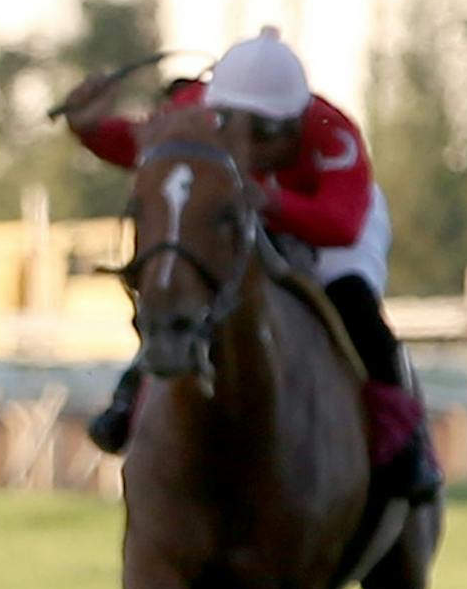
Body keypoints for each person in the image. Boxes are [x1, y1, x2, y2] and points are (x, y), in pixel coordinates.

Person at [60, 27, 442, 502]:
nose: (242, 139)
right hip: (242, 205)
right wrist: (88, 127)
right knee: (189, 282)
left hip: (329, 217)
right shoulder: (191, 110)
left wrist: (273, 201)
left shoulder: (334, 133)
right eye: (226, 121)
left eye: (260, 131)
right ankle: (133, 388)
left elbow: (340, 225)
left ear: (294, 122)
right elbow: (140, 149)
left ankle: (405, 441)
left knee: (353, 300)